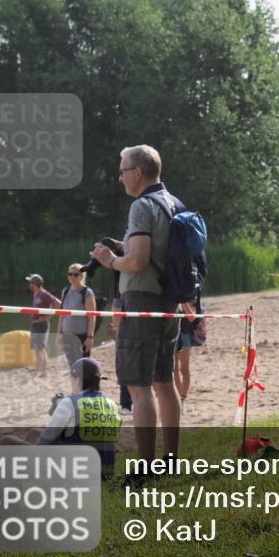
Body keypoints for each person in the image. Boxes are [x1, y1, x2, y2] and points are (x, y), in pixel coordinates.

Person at [89, 144, 182, 466]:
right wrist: (122, 248)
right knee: (164, 382)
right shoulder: (173, 203)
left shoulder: (142, 206)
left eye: (123, 170)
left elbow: (139, 262)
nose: (120, 177)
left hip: (141, 301)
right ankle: (170, 459)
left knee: (139, 387)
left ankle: (145, 466)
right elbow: (153, 252)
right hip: (169, 303)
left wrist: (110, 259)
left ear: (138, 173)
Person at [1, 358, 121, 476]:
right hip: (104, 472)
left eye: (72, 380)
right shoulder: (112, 405)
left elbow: (47, 440)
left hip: (74, 473)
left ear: (78, 379)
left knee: (7, 441)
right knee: (33, 433)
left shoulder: (69, 403)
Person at [57, 263, 97, 368]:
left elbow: (92, 316)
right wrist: (59, 333)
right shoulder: (65, 291)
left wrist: (90, 337)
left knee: (84, 367)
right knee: (73, 367)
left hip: (82, 336)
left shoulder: (87, 292)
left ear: (82, 276)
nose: (72, 277)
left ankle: (84, 384)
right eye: (70, 274)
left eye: (76, 274)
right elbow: (62, 314)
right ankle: (76, 385)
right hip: (67, 335)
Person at [174, 298, 205, 418]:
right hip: (171, 332)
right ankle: (177, 400)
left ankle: (182, 399)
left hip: (184, 333)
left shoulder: (189, 293)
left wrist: (182, 302)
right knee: (174, 369)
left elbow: (192, 316)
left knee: (184, 368)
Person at [26, 274, 60, 379]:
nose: (29, 285)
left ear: (34, 284)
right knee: (40, 349)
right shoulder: (36, 293)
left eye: (30, 282)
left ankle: (38, 373)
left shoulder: (44, 294)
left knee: (39, 349)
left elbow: (58, 304)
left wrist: (47, 317)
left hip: (42, 325)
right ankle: (43, 372)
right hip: (35, 324)